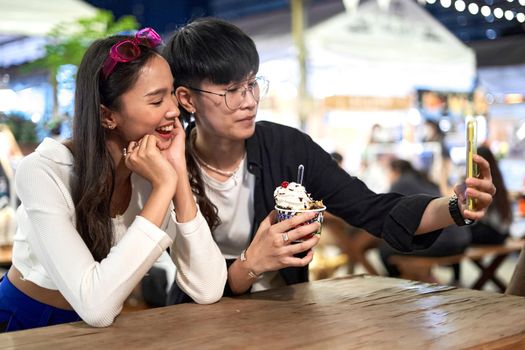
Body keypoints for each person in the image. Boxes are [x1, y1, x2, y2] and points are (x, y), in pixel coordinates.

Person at [161, 18, 496, 302]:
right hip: (196, 315)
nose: (249, 101)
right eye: (231, 90)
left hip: (283, 312)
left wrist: (454, 206)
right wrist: (249, 264)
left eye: (252, 83)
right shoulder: (167, 165)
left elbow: (374, 210)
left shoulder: (288, 149)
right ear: (187, 99)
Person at [0, 28, 227, 332]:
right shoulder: (44, 171)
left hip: (105, 332)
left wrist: (178, 176)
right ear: (108, 116)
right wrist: (162, 189)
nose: (174, 110)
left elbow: (208, 287)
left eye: (172, 93)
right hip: (28, 325)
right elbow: (96, 307)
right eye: (157, 100)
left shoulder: (153, 166)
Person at [379, 159, 471, 283]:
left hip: (445, 244)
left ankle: (402, 282)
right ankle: (427, 278)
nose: (387, 177)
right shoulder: (424, 179)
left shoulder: (402, 183)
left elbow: (385, 213)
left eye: (388, 172)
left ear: (396, 171)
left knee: (386, 249)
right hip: (463, 240)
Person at [470, 146, 512, 245]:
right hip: (504, 233)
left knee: (461, 234)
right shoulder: (498, 178)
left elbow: (480, 216)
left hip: (491, 233)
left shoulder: (482, 181)